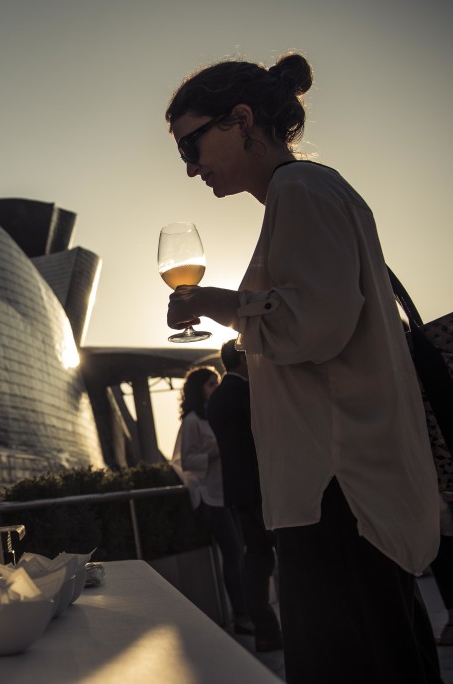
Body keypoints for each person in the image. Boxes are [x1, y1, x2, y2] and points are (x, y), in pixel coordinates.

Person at [164, 53, 441, 683]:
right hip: (340, 485)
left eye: (193, 144)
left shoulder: (301, 190)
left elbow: (314, 324)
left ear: (241, 119)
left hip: (338, 488)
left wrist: (221, 305)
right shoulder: (306, 193)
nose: (191, 167)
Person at [206, 339, 282, 652]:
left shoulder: (216, 398)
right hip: (263, 487)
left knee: (255, 557)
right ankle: (300, 625)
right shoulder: (247, 392)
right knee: (286, 555)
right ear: (242, 360)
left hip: (237, 490)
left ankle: (265, 630)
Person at [170, 366, 250, 636]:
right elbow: (185, 460)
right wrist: (214, 454)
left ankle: (246, 612)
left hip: (230, 491)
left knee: (242, 553)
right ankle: (240, 616)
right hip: (211, 495)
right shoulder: (192, 420)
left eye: (217, 383)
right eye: (211, 384)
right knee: (234, 553)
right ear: (198, 389)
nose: (216, 388)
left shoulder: (216, 416)